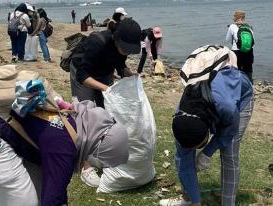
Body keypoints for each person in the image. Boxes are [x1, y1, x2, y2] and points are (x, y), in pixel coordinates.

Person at [0, 68, 129, 206]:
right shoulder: (64, 148)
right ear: (99, 146)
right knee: (22, 200)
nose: (95, 164)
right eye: (100, 160)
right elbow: (54, 199)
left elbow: (52, 186)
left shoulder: (80, 121)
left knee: (35, 190)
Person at [160, 52, 253, 206]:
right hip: (211, 103)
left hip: (241, 96)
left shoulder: (226, 106)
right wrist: (197, 203)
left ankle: (228, 203)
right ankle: (188, 199)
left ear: (208, 130)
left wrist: (207, 152)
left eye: (201, 144)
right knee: (183, 157)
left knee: (229, 153)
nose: (198, 149)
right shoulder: (180, 119)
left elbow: (230, 129)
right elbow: (183, 160)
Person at [69, 18, 141, 187]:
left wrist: (132, 76)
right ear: (116, 38)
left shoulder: (120, 49)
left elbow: (120, 66)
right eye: (125, 48)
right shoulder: (97, 43)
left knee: (106, 113)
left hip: (102, 72)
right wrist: (106, 89)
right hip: (82, 72)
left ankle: (102, 152)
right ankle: (85, 166)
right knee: (85, 116)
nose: (127, 52)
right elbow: (83, 75)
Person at [226, 10, 254, 83]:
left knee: (236, 69)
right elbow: (253, 41)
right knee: (248, 70)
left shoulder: (232, 26)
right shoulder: (249, 27)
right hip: (249, 51)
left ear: (235, 18)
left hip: (236, 51)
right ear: (243, 18)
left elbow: (227, 39)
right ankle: (249, 86)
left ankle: (237, 87)